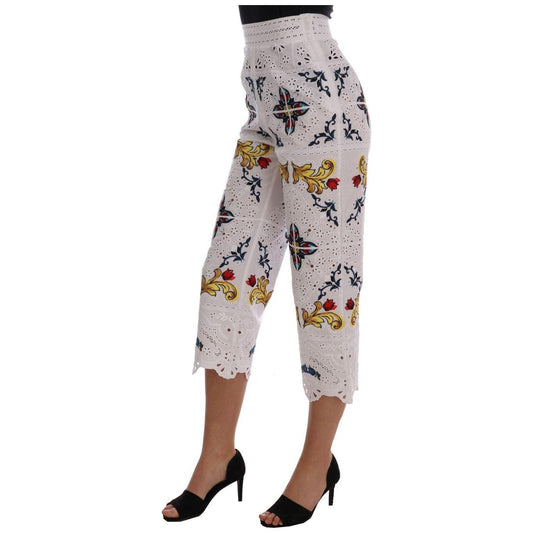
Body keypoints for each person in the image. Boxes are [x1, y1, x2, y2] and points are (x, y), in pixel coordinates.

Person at [162, 4, 371, 527]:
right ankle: (218, 457)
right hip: (263, 104)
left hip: (322, 107)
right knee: (227, 277)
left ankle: (317, 465)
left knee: (325, 288)